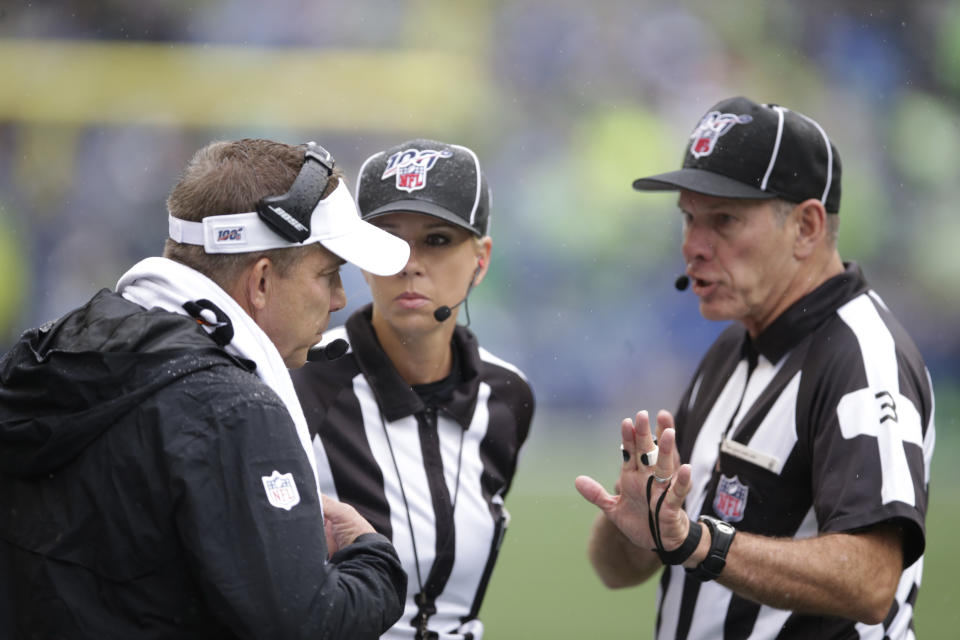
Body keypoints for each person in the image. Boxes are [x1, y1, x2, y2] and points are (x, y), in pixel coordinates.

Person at [0, 138, 414, 639]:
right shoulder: (234, 410)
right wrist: (373, 560)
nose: (339, 299)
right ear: (261, 282)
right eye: (327, 275)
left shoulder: (49, 357)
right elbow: (305, 628)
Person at [575, 97, 935, 639]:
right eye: (688, 218)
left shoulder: (862, 357)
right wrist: (633, 518)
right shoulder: (735, 345)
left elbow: (871, 580)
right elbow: (618, 569)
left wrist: (699, 543)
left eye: (723, 220)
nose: (693, 247)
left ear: (807, 227)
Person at [292, 138, 535, 640]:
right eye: (386, 238)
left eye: (438, 239)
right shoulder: (297, 381)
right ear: (360, 254)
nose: (408, 262)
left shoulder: (508, 396)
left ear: (481, 260)